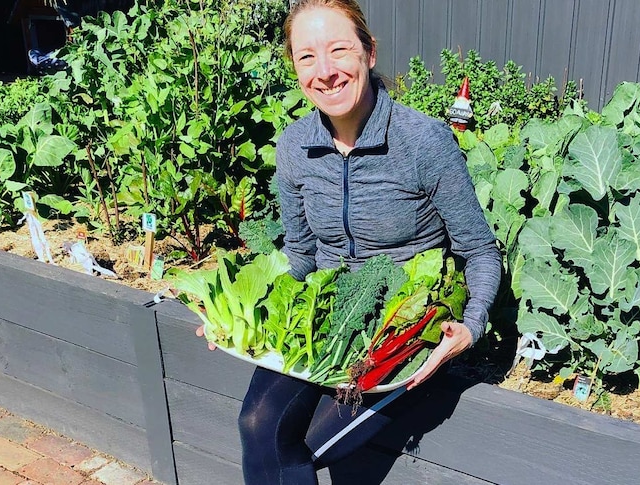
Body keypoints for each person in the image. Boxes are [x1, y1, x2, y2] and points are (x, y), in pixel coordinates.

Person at [198, 0, 501, 482]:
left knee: (310, 447)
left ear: (369, 53)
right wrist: (237, 312)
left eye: (339, 50)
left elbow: (479, 250)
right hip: (326, 314)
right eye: (306, 57)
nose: (325, 71)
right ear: (294, 66)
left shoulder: (422, 142)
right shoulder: (295, 146)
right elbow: (300, 254)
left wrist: (469, 326)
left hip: (401, 327)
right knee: (257, 425)